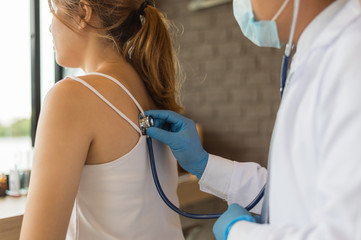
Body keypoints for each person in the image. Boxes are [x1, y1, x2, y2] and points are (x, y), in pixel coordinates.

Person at [145, 0, 361, 239]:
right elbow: (296, 191)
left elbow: (347, 232)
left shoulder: (352, 58)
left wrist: (238, 232)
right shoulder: (318, 53)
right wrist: (204, 164)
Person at [20, 0, 185, 239]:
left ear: (83, 14)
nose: (49, 27)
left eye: (52, 12)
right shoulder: (152, 92)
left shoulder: (71, 97)